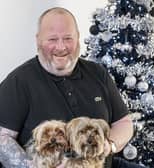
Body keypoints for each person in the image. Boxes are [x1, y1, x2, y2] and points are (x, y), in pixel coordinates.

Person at [0, 7, 144, 168]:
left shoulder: (98, 73)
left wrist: (109, 146)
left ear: (78, 38)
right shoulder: (19, 81)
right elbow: (2, 138)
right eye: (52, 39)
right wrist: (31, 166)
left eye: (68, 38)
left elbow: (123, 123)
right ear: (38, 40)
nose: (61, 47)